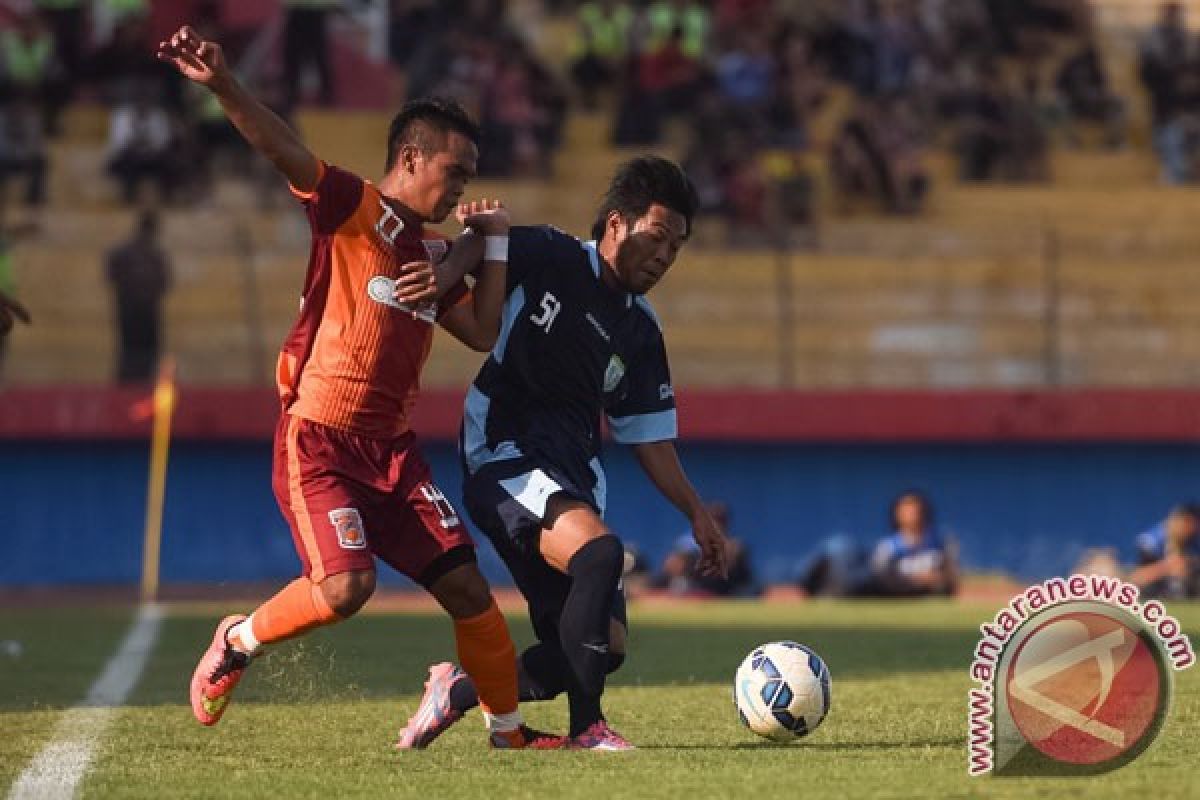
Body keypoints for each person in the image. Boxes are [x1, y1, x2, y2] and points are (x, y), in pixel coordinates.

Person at [157, 25, 547, 749]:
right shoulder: (350, 208)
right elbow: (282, 149)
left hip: (394, 455)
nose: (461, 186)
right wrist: (224, 86)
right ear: (411, 157)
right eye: (454, 171)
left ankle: (510, 734)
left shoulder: (433, 259)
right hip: (320, 442)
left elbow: (483, 331)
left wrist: (488, 242)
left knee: (470, 592)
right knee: (346, 588)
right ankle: (239, 640)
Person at [396, 156, 729, 751]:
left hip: (570, 475)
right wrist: (446, 268)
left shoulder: (641, 332)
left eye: (675, 249)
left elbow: (648, 435)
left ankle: (458, 691)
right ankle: (588, 729)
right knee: (599, 554)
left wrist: (695, 512)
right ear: (617, 224)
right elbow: (472, 248)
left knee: (604, 647)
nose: (663, 258)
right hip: (503, 451)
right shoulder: (553, 256)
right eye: (657, 238)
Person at [798, 489, 957, 597]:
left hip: (872, 590)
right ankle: (811, 582)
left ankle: (824, 589)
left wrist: (931, 581)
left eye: (915, 509)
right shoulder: (891, 545)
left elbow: (949, 584)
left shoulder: (939, 544)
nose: (911, 514)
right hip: (865, 578)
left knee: (841, 553)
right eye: (906, 510)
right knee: (839, 546)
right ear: (897, 514)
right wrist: (915, 579)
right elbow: (879, 573)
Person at [105, 211, 171, 383]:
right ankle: (130, 382)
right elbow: (111, 273)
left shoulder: (154, 254)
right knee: (132, 350)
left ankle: (140, 381)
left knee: (142, 351)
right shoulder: (133, 253)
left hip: (143, 307)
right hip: (133, 307)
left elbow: (165, 282)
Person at [1130, 504, 1200, 599]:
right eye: (1186, 521)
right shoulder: (1151, 541)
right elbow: (1135, 578)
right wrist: (1167, 567)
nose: (1190, 528)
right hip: (1156, 595)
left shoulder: (1193, 541)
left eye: (1193, 524)